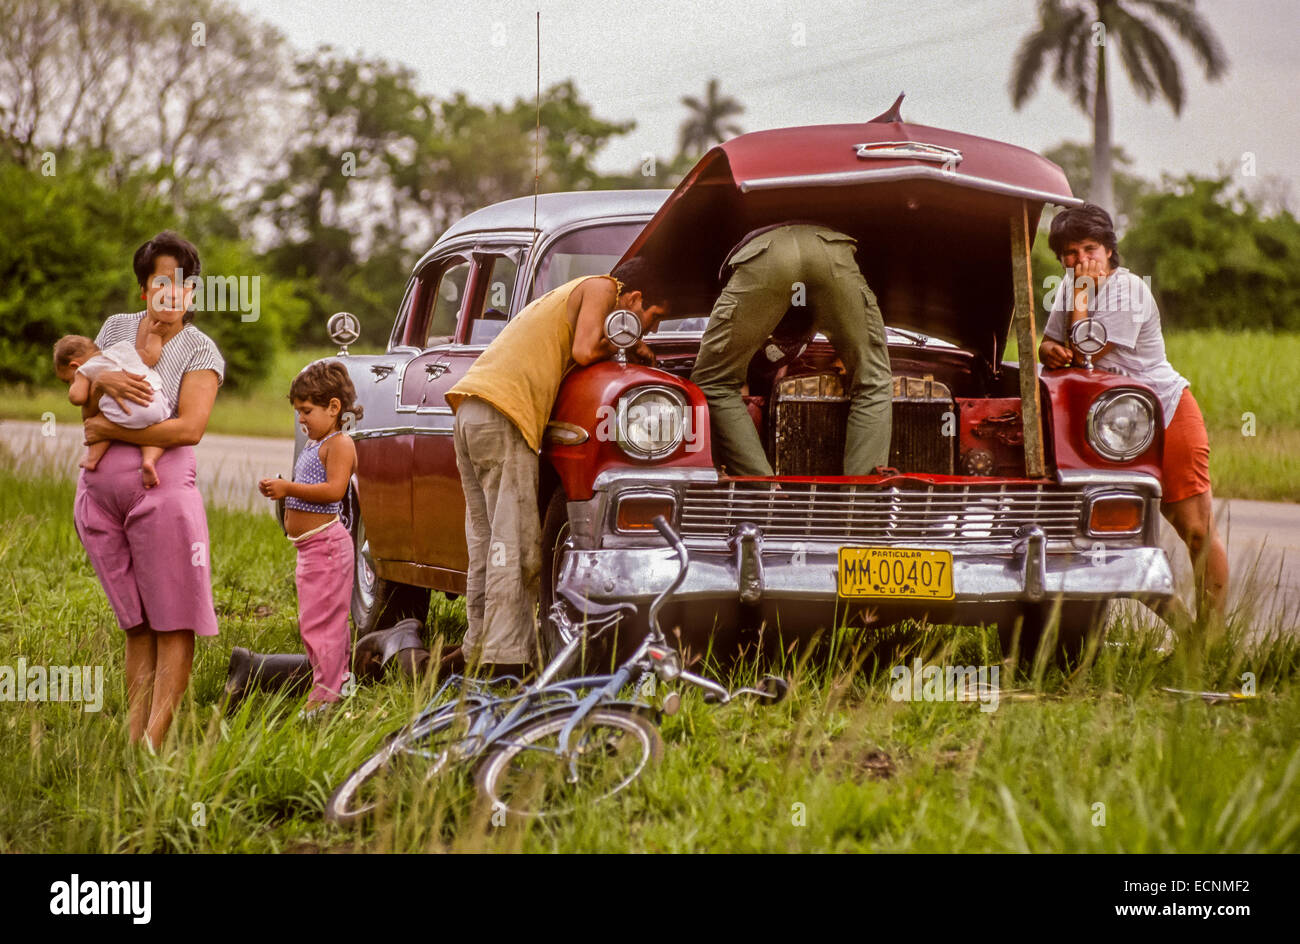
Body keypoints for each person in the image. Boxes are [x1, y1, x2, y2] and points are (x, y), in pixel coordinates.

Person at [443, 258, 670, 677]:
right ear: (633, 298)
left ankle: (476, 648)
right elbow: (585, 350)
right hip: (504, 412)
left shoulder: (568, 294)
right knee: (516, 543)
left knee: (486, 541)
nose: (650, 330)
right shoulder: (603, 288)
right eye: (652, 318)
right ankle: (506, 664)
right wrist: (631, 346)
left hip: (472, 408)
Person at [1038, 203, 1228, 619]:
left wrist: (1082, 297)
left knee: (1195, 529)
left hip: (1166, 411)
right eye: (1070, 253)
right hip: (1115, 428)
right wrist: (1050, 351)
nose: (1080, 260)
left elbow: (1088, 349)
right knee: (1119, 537)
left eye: (1090, 248)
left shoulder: (1127, 289)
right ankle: (1186, 637)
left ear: (1109, 250)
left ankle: (1212, 644)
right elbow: (1053, 345)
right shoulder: (1069, 288)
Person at [75, 231, 225, 748]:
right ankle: (133, 732)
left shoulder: (199, 348)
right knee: (136, 624)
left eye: (181, 282)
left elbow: (188, 429)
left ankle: (154, 743)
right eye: (161, 280)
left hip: (163, 494)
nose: (170, 291)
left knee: (172, 620)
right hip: (103, 496)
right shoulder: (116, 328)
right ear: (144, 287)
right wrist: (104, 384)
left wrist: (112, 432)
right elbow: (87, 405)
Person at [690, 223, 893, 476]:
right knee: (873, 380)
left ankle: (766, 496)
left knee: (713, 382)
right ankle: (858, 506)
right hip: (831, 252)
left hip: (764, 256)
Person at [257, 362, 360, 716]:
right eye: (298, 412)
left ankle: (327, 695)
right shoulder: (315, 443)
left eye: (307, 411)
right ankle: (334, 682)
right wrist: (281, 489)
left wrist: (288, 488)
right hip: (310, 548)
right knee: (313, 620)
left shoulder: (339, 444)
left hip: (328, 547)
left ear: (333, 407)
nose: (302, 419)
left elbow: (334, 491)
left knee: (324, 623)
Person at [54, 329, 170, 488]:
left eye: (68, 380)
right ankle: (149, 461)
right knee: (152, 428)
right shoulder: (121, 351)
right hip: (153, 399)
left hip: (128, 408)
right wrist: (155, 335)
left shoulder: (85, 369)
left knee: (102, 423)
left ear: (74, 365)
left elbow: (78, 398)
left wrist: (75, 387)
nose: (70, 384)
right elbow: (151, 356)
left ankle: (92, 459)